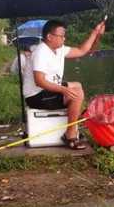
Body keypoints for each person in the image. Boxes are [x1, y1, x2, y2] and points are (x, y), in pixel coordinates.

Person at [23, 19, 106, 149]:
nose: (64, 38)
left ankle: (75, 121)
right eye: (61, 36)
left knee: (77, 85)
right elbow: (39, 81)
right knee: (76, 94)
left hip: (47, 91)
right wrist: (63, 90)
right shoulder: (41, 52)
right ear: (49, 37)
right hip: (36, 96)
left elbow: (81, 50)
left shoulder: (59, 49)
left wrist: (96, 33)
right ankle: (70, 135)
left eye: (64, 35)